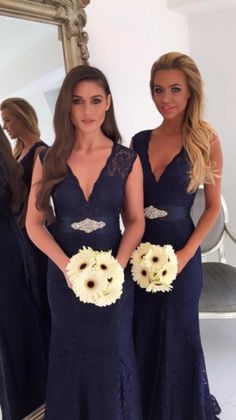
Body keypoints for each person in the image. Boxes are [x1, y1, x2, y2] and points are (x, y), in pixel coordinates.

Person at [26, 64, 145, 419]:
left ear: (108, 103)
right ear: (67, 106)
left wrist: (117, 270)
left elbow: (136, 221)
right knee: (69, 353)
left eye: (95, 101)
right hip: (63, 281)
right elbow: (34, 224)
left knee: (113, 352)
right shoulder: (47, 158)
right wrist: (67, 269)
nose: (88, 111)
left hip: (115, 279)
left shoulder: (126, 159)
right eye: (78, 102)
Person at [131, 52, 223, 420]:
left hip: (181, 249)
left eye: (174, 89)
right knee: (144, 331)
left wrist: (185, 255)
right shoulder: (138, 141)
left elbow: (212, 207)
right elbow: (129, 205)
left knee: (178, 335)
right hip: (140, 247)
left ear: (189, 92)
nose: (165, 98)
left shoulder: (205, 139)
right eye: (158, 90)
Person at [0, 126, 48, 419]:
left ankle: (30, 405)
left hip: (6, 253)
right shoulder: (7, 155)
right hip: (11, 246)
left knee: (15, 328)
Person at [0, 97, 51, 355]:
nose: (6, 126)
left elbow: (48, 202)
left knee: (39, 293)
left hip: (34, 234)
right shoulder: (15, 152)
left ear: (22, 117)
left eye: (8, 119)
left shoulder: (43, 152)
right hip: (17, 232)